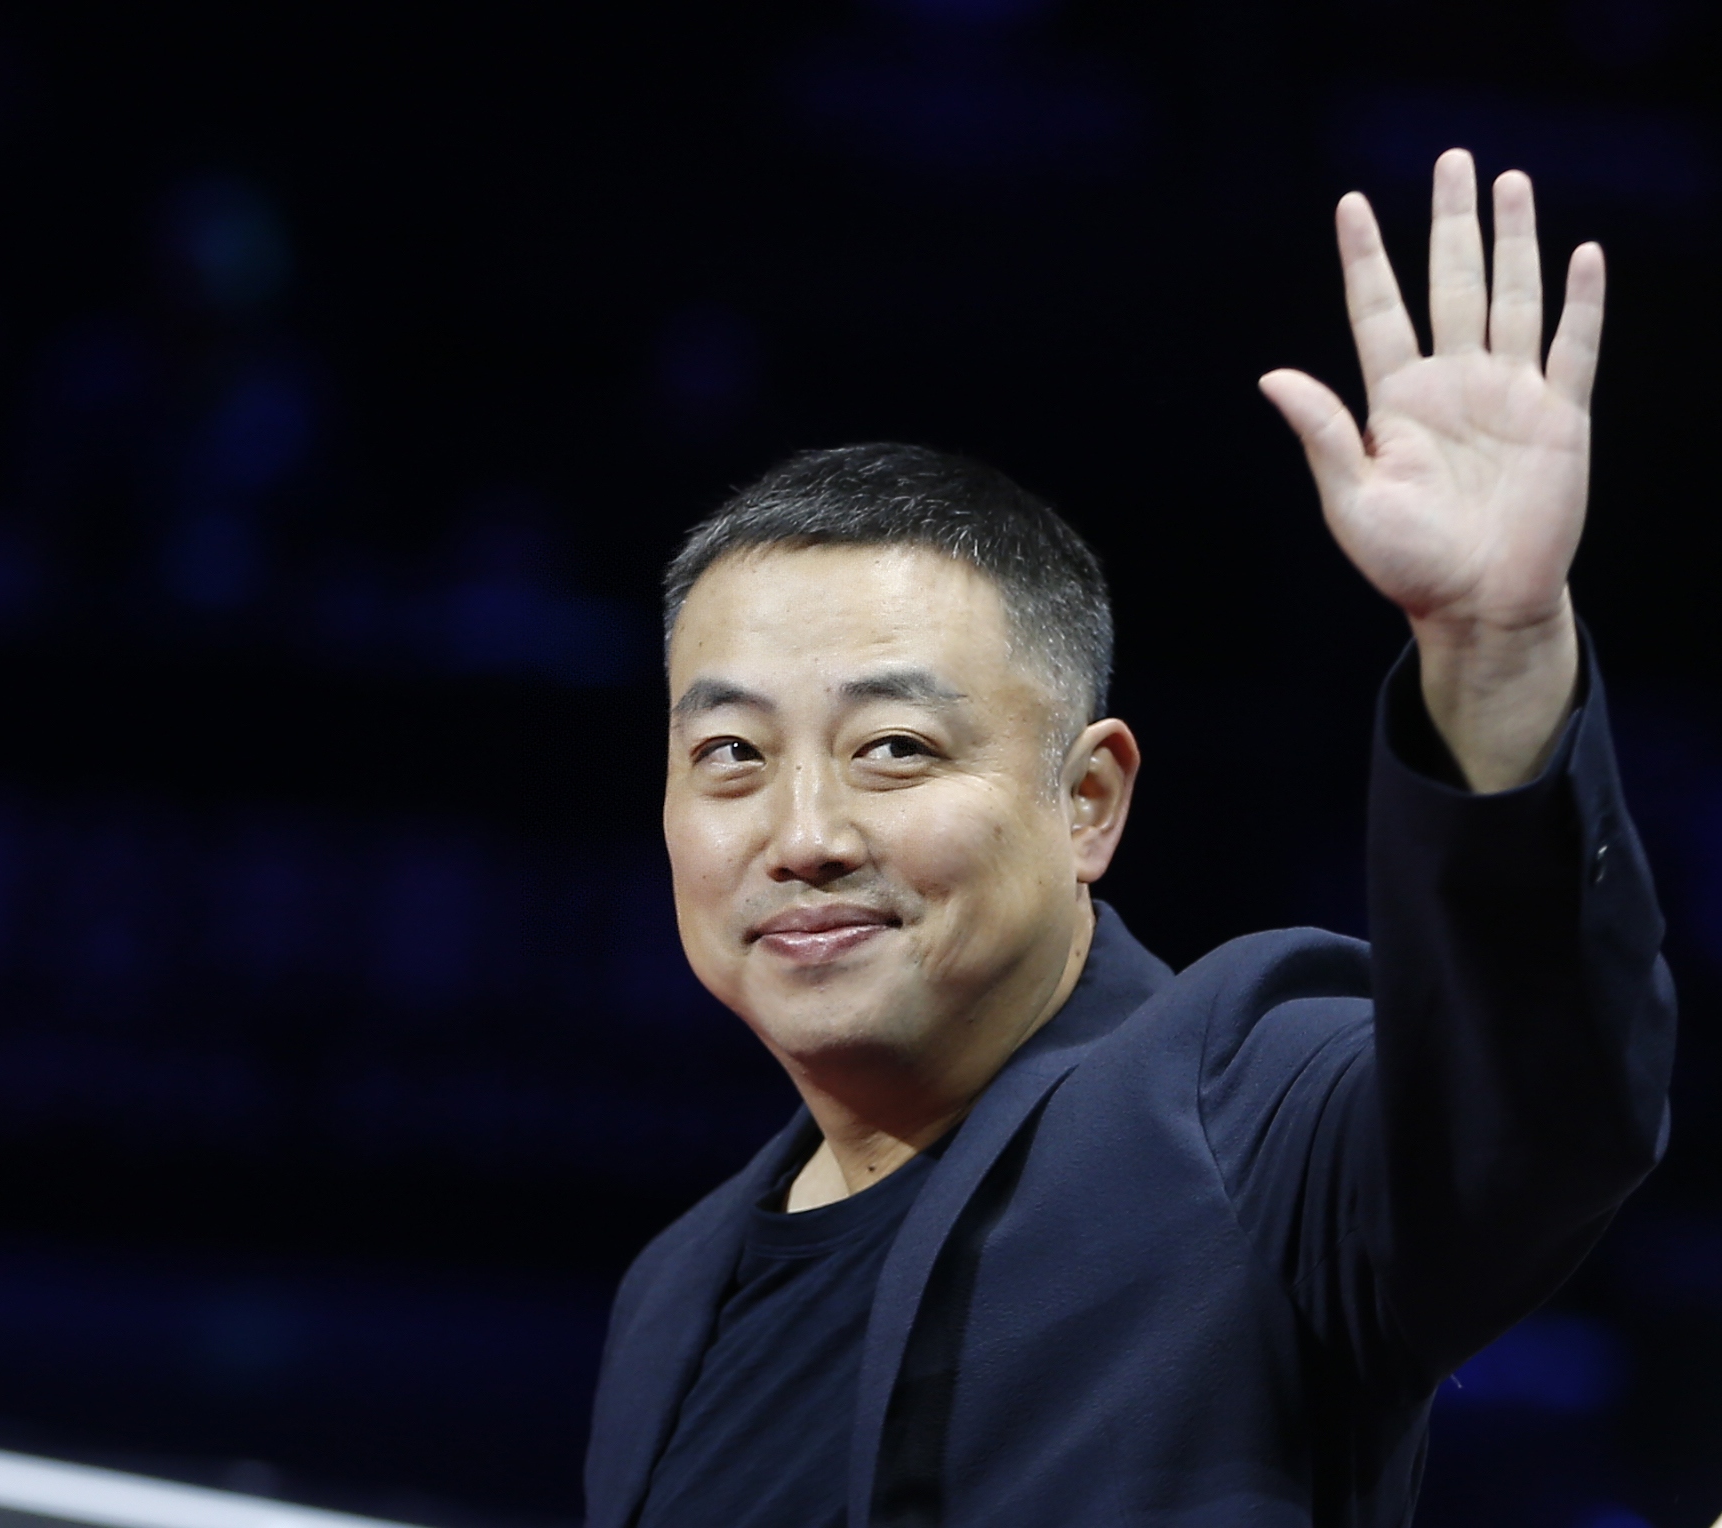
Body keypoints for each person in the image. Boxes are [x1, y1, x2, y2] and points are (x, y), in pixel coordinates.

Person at [584, 150, 1674, 1527]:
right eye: (731, 756)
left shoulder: (1240, 1105)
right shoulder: (670, 1295)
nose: (803, 835)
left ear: (1088, 801)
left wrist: (1498, 658)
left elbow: (1527, 1115)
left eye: (895, 749)